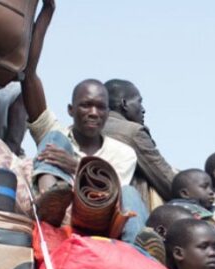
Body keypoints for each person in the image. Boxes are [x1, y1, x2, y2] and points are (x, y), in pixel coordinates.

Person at [20, 0, 143, 241]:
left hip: (98, 220)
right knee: (54, 138)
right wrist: (47, 13)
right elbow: (29, 75)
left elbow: (111, 193)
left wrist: (76, 166)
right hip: (59, 216)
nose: (94, 112)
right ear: (71, 110)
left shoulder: (123, 153)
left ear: (108, 113)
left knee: (129, 192)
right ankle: (49, 198)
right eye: (86, 105)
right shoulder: (59, 134)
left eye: (100, 107)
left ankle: (135, 249)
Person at [103, 79, 176, 210]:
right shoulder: (133, 132)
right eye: (139, 102)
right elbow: (168, 182)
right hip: (128, 211)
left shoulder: (79, 130)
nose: (143, 110)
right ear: (124, 104)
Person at [168, 169, 215, 249]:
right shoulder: (181, 212)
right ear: (185, 194)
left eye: (211, 188)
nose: (211, 192)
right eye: (205, 187)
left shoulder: (209, 212)